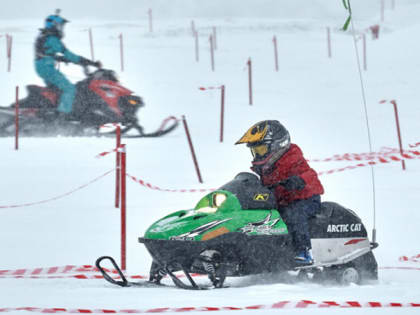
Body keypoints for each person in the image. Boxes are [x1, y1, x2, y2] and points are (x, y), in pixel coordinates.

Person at [235, 120, 324, 264]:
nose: (258, 155)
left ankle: (304, 251)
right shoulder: (265, 167)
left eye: (261, 150)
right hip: (282, 201)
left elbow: (310, 175)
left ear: (277, 145)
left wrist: (299, 180)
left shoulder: (292, 158)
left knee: (293, 215)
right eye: (255, 151)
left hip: (304, 199)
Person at [34, 10, 101, 119]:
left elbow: (46, 52)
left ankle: (52, 112)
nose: (62, 29)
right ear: (55, 25)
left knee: (57, 90)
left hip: (43, 67)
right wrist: (87, 62)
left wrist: (60, 58)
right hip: (47, 69)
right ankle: (62, 117)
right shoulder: (52, 39)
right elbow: (68, 54)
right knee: (70, 89)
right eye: (61, 26)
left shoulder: (44, 36)